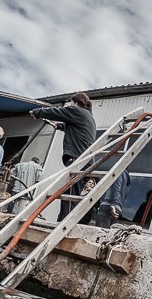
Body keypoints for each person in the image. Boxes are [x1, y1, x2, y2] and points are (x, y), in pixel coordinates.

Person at [30, 92, 97, 222]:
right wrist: (60, 126)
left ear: (76, 103)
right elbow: (76, 127)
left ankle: (64, 225)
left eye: (71, 103)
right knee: (69, 194)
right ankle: (62, 222)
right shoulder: (88, 116)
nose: (70, 105)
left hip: (77, 159)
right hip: (85, 160)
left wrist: (37, 112)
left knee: (69, 196)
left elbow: (57, 112)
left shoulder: (76, 110)